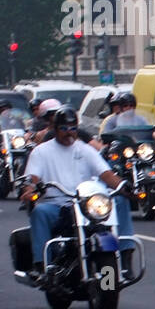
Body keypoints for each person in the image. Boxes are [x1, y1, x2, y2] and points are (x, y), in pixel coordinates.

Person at [20, 108, 132, 274]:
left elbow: (106, 174)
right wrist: (29, 189)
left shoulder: (85, 149)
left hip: (87, 205)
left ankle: (125, 255)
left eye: (72, 128)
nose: (69, 133)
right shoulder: (41, 151)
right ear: (55, 129)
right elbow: (32, 177)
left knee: (120, 202)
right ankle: (42, 265)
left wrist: (124, 186)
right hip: (56, 205)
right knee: (40, 211)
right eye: (64, 128)